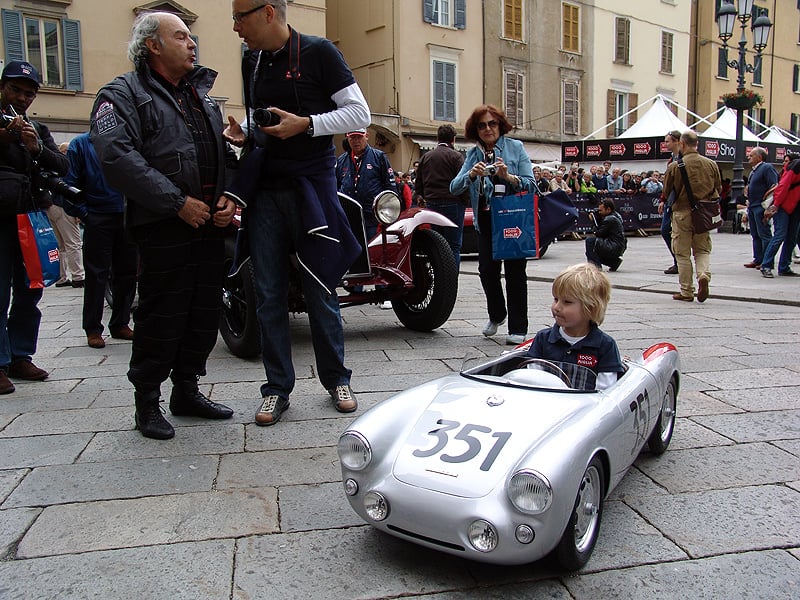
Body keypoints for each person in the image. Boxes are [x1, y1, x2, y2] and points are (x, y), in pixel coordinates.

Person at [90, 12, 237, 439]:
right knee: (161, 313)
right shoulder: (121, 94)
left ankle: (186, 390)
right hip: (163, 227)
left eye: (192, 37)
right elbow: (116, 156)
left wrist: (229, 197)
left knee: (203, 312)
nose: (192, 44)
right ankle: (147, 402)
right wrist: (176, 204)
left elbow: (222, 155)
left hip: (209, 225)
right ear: (152, 45)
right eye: (181, 36)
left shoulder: (203, 98)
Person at [224, 0, 370, 426]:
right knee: (267, 292)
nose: (235, 27)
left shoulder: (320, 51)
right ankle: (276, 389)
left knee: (321, 285)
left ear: (268, 12)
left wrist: (304, 124)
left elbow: (359, 114)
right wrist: (247, 133)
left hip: (311, 186)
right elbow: (268, 124)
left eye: (240, 17)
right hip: (266, 189)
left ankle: (337, 379)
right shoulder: (253, 61)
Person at [0, 60, 68, 395]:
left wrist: (35, 148)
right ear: (2, 87)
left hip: (28, 217)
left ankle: (19, 354)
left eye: (29, 93)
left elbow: (62, 165)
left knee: (31, 287)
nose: (23, 98)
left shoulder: (35, 129)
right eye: (16, 90)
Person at [450, 104, 534, 346]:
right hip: (486, 220)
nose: (488, 129)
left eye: (492, 123)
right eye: (482, 125)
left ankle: (518, 327)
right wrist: (471, 175)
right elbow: (454, 187)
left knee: (516, 273)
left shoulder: (515, 148)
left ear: (500, 125)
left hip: (512, 216)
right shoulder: (473, 154)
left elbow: (532, 185)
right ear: (476, 130)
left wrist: (509, 177)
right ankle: (497, 314)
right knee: (487, 270)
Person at [64, 133, 138, 349]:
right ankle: (93, 328)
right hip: (98, 215)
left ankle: (120, 323)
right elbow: (69, 183)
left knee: (127, 273)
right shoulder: (81, 144)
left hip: (126, 215)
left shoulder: (128, 141)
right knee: (97, 274)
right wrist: (85, 213)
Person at [526, 263, 624, 391]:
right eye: (556, 299)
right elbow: (532, 378)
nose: (557, 307)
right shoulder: (543, 338)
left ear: (590, 308)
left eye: (567, 302)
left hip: (585, 407)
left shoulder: (605, 345)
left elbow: (605, 391)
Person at [662, 130, 722, 303]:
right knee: (702, 250)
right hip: (703, 213)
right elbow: (718, 187)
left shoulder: (675, 166)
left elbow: (666, 191)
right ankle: (703, 274)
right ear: (697, 144)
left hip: (682, 213)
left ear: (682, 144)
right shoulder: (711, 164)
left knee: (682, 254)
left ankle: (687, 291)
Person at [413, 124, 468, 266]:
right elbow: (463, 182)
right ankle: (451, 281)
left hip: (432, 203)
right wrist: (465, 201)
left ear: (438, 138)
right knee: (453, 246)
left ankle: (440, 278)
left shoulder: (426, 157)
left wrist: (421, 196)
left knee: (438, 245)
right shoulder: (456, 157)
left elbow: (419, 183)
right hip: (453, 202)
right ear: (453, 139)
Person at [335, 128, 397, 239]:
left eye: (359, 137)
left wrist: (387, 215)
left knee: (372, 249)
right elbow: (336, 187)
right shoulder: (341, 160)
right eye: (352, 137)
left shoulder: (379, 157)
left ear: (366, 136)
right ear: (347, 138)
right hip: (348, 218)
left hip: (372, 218)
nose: (356, 141)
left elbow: (390, 188)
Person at [47, 142, 85, 288]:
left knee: (61, 245)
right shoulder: (67, 165)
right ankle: (78, 276)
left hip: (52, 205)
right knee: (73, 243)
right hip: (64, 206)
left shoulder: (52, 164)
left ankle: (61, 277)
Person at [760, 152, 800, 278]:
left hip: (794, 206)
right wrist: (776, 205)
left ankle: (784, 266)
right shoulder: (796, 166)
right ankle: (766, 265)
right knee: (780, 235)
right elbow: (783, 186)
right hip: (784, 206)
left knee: (791, 237)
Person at [742, 147, 778, 274]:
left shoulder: (767, 168)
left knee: (764, 234)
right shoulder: (753, 171)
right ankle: (758, 258)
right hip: (752, 206)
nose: (748, 157)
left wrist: (768, 207)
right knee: (755, 234)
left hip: (760, 207)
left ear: (759, 157)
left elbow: (774, 186)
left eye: (751, 155)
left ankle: (766, 261)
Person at [658, 131, 682, 275]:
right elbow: (668, 183)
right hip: (670, 200)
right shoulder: (671, 159)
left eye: (668, 141)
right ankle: (678, 260)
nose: (666, 144)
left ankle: (680, 261)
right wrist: (663, 199)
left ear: (677, 141)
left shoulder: (682, 158)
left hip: (679, 200)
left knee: (675, 231)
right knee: (666, 230)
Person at [585, 198, 626, 272]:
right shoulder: (616, 215)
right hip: (618, 246)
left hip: (613, 246)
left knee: (590, 242)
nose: (599, 212)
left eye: (601, 210)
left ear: (608, 209)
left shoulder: (610, 219)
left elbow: (599, 233)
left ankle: (596, 267)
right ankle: (613, 262)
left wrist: (593, 221)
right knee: (591, 251)